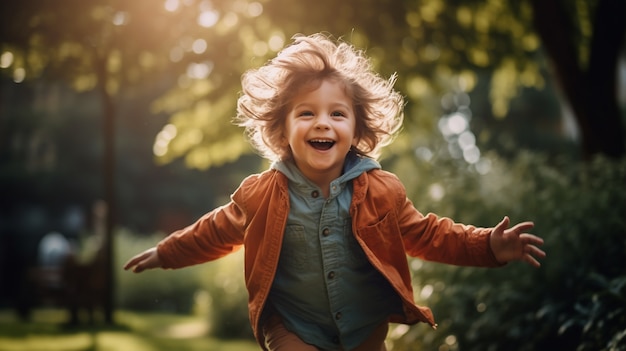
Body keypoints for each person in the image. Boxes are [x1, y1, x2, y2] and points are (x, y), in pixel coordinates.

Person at [124, 33, 546, 351]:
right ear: (283, 131)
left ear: (356, 131)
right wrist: (167, 252)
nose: (323, 123)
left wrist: (488, 245)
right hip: (291, 325)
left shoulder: (382, 190)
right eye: (306, 113)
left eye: (337, 114)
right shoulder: (261, 194)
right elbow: (214, 231)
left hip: (364, 330)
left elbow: (430, 235)